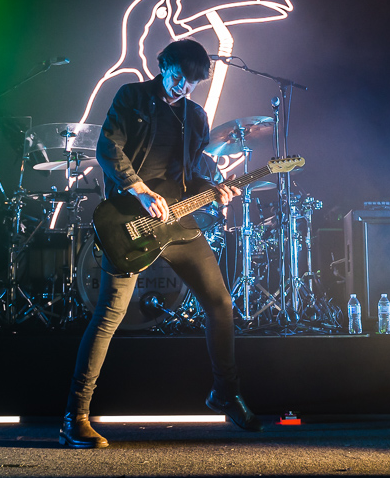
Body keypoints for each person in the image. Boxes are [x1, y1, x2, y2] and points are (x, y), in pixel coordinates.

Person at [60, 39, 261, 449]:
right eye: (178, 77)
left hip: (179, 223)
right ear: (162, 65)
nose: (183, 87)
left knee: (221, 304)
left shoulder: (196, 116)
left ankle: (224, 391)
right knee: (108, 318)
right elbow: (107, 148)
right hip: (130, 220)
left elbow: (192, 174)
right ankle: (74, 416)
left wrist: (215, 190)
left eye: (192, 82)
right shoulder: (132, 96)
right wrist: (140, 191)